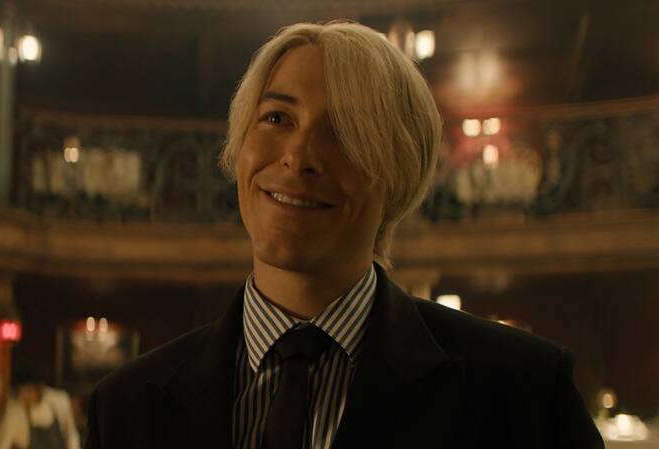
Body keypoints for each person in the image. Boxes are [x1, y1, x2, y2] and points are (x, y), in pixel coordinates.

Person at [84, 21, 603, 449]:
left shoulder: (522, 392)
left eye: (345, 131)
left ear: (400, 169)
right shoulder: (127, 407)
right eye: (276, 117)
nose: (298, 156)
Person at [0, 365, 80, 449]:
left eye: (28, 391)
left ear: (41, 389)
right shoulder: (15, 413)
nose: (24, 396)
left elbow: (71, 433)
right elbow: (3, 444)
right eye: (21, 392)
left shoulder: (59, 401)